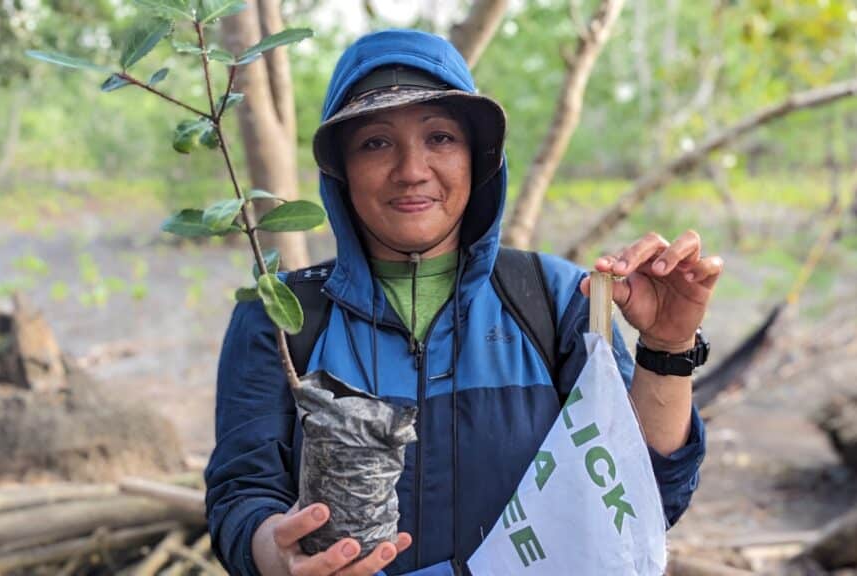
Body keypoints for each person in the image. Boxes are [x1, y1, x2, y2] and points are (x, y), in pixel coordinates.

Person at [205, 29, 721, 576]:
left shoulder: (556, 302)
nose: (411, 169)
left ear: (478, 160)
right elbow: (242, 496)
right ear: (340, 170)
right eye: (375, 143)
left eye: (441, 138)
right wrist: (272, 552)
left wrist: (667, 346)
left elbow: (643, 502)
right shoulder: (283, 315)